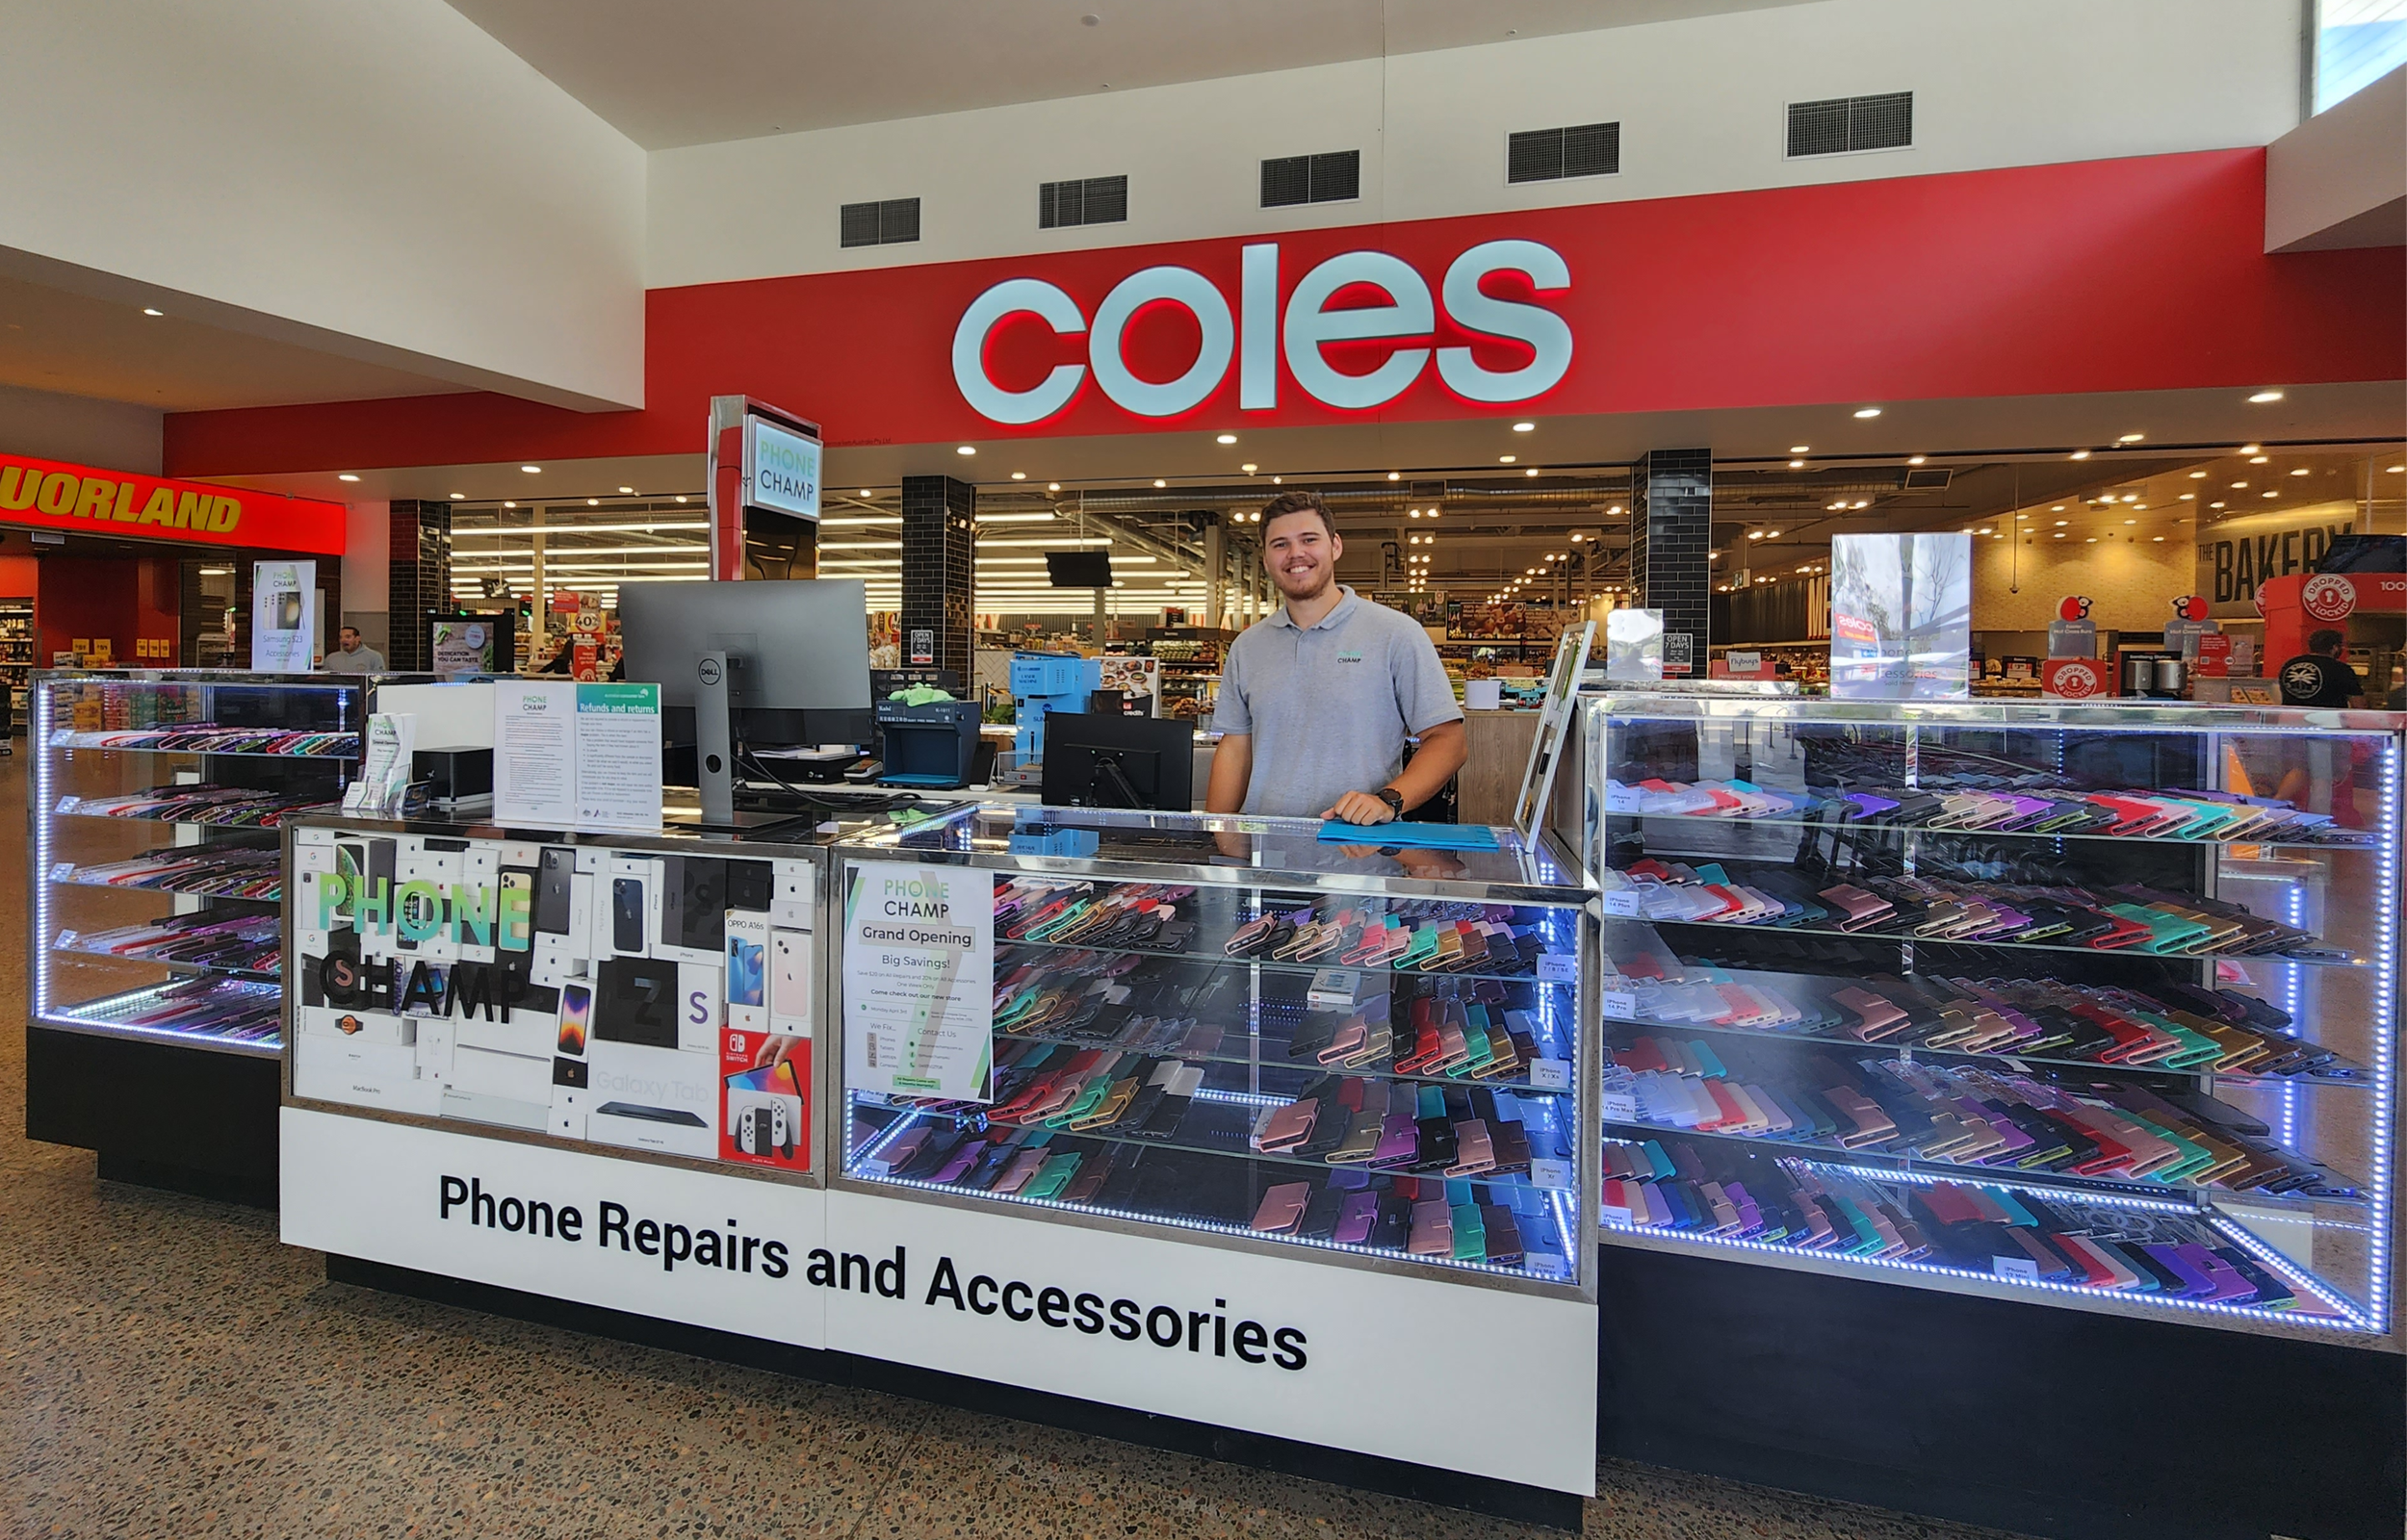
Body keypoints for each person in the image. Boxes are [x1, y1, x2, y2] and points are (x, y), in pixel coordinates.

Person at [1206, 490, 1467, 823]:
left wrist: (1390, 801)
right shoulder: (1247, 646)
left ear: (1335, 546)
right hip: (1269, 848)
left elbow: (1449, 740)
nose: (1295, 553)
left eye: (1309, 539)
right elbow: (1235, 749)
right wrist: (1216, 834)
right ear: (1267, 558)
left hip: (1361, 851)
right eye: (1280, 544)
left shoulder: (1395, 633)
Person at [2277, 629, 2365, 708]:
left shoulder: (2290, 664)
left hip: (2292, 720)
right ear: (2334, 648)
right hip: (2328, 720)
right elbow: (2358, 704)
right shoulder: (2341, 669)